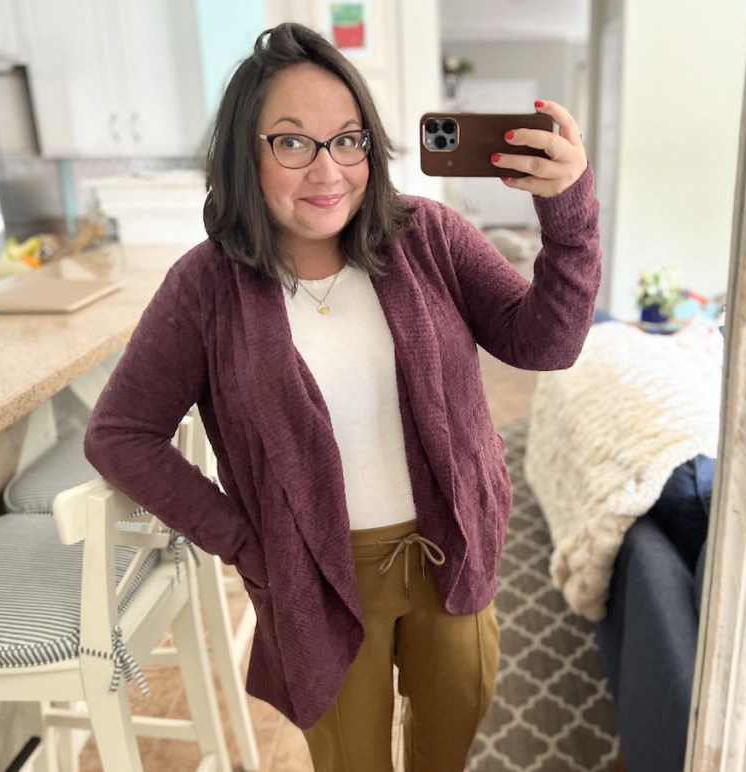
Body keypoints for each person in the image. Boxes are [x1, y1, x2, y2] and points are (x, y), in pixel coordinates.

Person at [84, 21, 601, 772]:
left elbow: (545, 344)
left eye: (349, 139)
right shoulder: (205, 288)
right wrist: (242, 538)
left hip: (449, 549)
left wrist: (570, 214)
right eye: (293, 142)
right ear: (245, 154)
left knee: (453, 744)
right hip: (316, 580)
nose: (329, 171)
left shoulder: (429, 237)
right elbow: (121, 434)